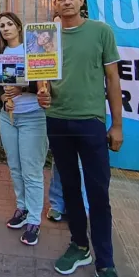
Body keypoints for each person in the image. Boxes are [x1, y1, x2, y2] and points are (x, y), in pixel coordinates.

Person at [37, 0, 123, 277]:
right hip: (57, 120)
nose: (67, 2)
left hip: (91, 122)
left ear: (81, 1)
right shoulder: (45, 36)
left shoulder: (101, 32)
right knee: (70, 189)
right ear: (55, 4)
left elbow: (113, 79)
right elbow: (43, 77)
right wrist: (43, 92)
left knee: (98, 193)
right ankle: (79, 245)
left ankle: (106, 263)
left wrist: (117, 125)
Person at [0, 12, 47, 246]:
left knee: (31, 170)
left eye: (9, 24)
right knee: (15, 167)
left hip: (33, 116)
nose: (6, 28)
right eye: (2, 25)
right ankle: (22, 208)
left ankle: (34, 220)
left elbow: (45, 79)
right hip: (8, 118)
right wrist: (3, 98)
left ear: (18, 26)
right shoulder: (0, 54)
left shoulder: (33, 50)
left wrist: (22, 88)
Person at [47, 12, 89, 222]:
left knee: (81, 163)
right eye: (55, 24)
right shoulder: (48, 48)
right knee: (59, 162)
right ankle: (57, 204)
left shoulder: (84, 44)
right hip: (58, 110)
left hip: (83, 111)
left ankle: (81, 206)